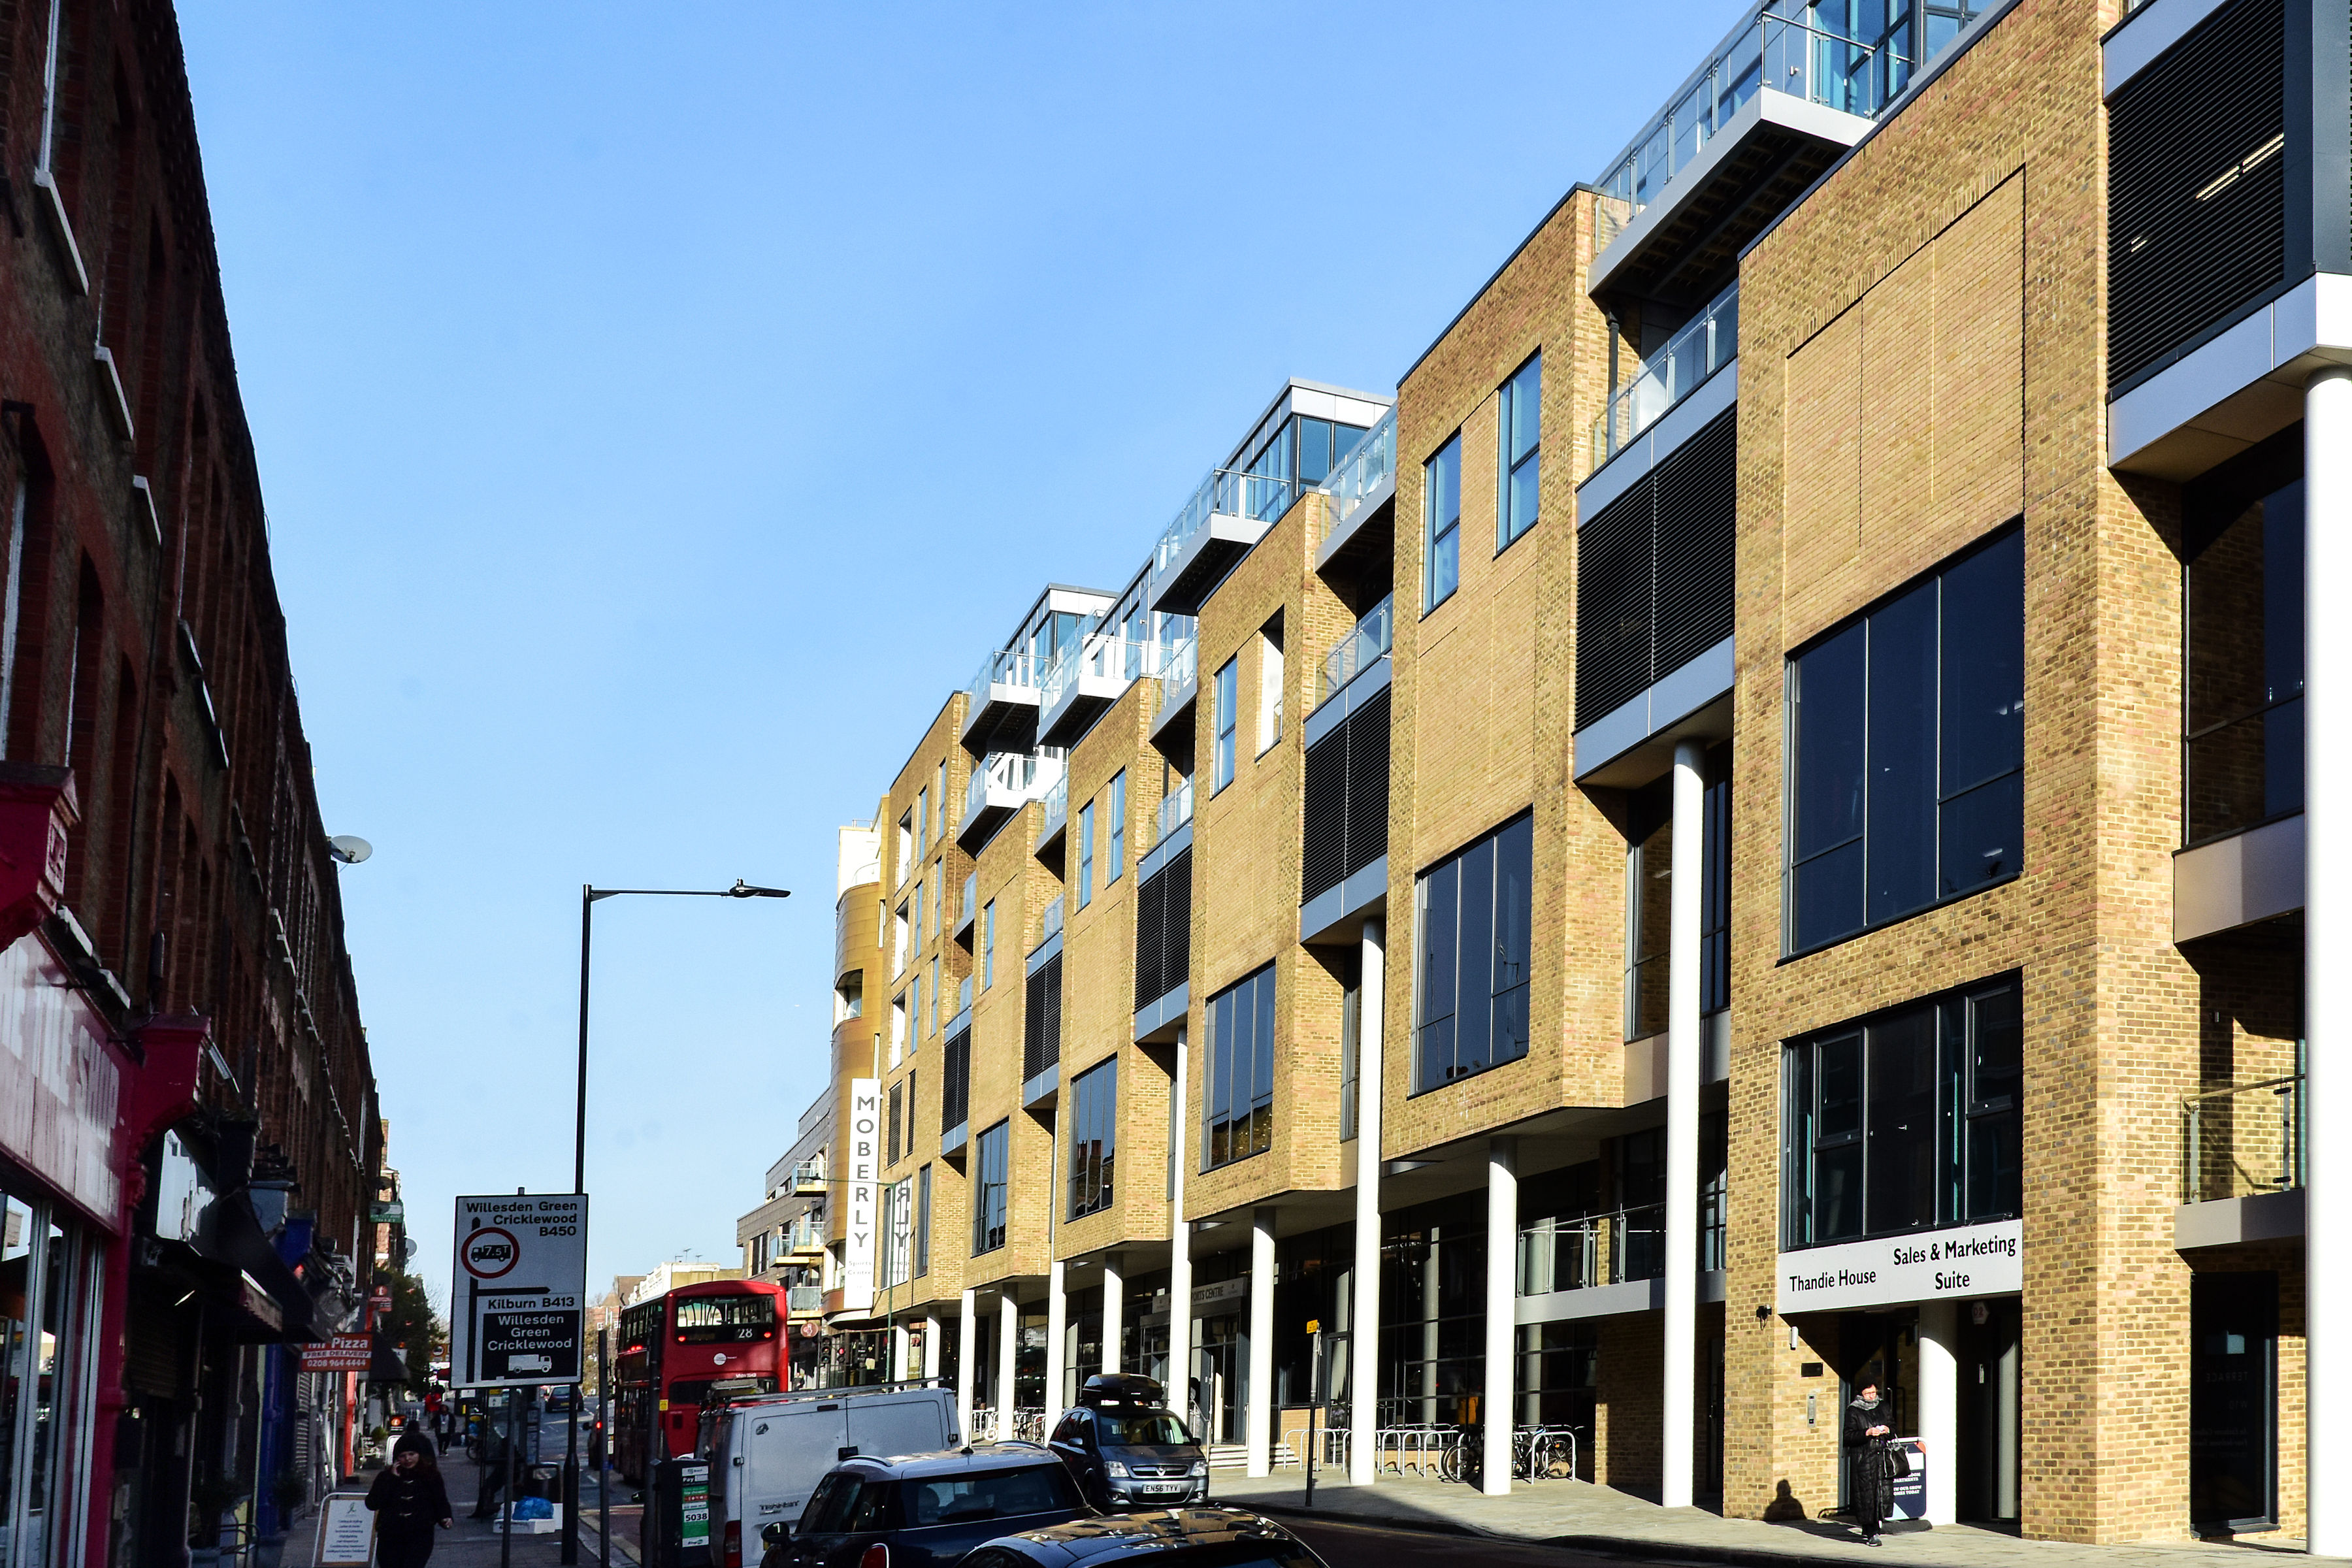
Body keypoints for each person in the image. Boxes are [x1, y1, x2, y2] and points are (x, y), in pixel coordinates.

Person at [365, 1431, 453, 1568]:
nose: (407, 1459)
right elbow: (372, 1503)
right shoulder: (385, 1477)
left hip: (420, 1535)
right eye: (403, 1456)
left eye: (412, 1454)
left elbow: (440, 1500)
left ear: (419, 1455)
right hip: (390, 1536)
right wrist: (392, 1480)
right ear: (396, 1458)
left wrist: (445, 1517)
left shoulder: (430, 1476)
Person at [1844, 1380, 1896, 1546]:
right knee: (1867, 1497)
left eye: (1874, 1393)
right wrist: (1867, 1433)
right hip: (1864, 1459)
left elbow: (1893, 1427)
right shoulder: (1854, 1410)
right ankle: (1873, 1532)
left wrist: (1887, 1430)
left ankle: (1871, 1529)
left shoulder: (1883, 1406)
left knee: (1882, 1495)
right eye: (1868, 1394)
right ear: (1861, 1394)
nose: (1871, 1397)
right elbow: (1848, 1436)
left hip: (1882, 1458)